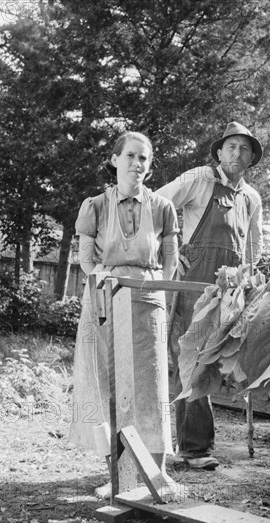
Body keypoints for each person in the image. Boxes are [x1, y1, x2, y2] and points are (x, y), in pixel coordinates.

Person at [68, 131, 179, 495]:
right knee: (108, 383)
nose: (137, 164)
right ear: (115, 160)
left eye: (144, 158)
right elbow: (86, 261)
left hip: (148, 302)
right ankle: (117, 475)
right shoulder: (95, 206)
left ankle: (158, 473)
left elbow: (170, 263)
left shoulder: (163, 207)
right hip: (103, 301)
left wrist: (152, 288)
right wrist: (108, 281)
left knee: (152, 383)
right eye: (130, 156)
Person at [156, 121, 263, 470]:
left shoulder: (251, 197)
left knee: (217, 361)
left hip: (230, 291)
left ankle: (190, 445)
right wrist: (170, 249)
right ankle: (193, 449)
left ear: (251, 158)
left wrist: (248, 278)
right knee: (193, 358)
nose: (237, 153)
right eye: (231, 146)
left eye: (244, 149)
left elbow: (252, 248)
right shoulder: (199, 179)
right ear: (219, 152)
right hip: (194, 285)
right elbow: (154, 205)